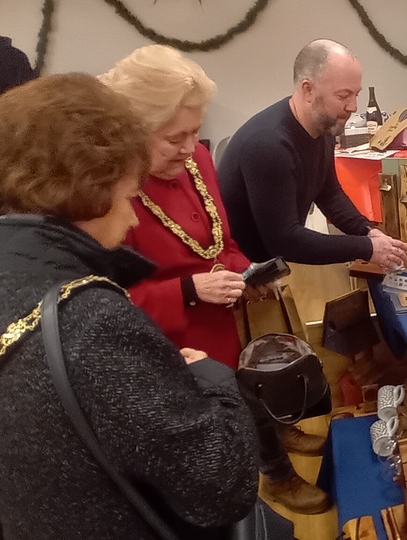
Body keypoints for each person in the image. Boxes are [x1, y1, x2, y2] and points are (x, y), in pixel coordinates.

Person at [0, 74, 263, 539]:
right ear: (85, 189)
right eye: (127, 195)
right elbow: (220, 488)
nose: (133, 212)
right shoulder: (89, 321)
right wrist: (211, 379)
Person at [100, 45, 331, 515]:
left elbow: (219, 242)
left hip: (225, 318)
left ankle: (273, 437)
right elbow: (107, 305)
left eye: (195, 133)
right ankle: (274, 475)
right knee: (224, 424)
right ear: (130, 132)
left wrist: (244, 270)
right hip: (172, 344)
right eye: (174, 137)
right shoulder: (107, 196)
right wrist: (188, 290)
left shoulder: (197, 162)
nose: (190, 149)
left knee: (251, 387)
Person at [218, 38, 407, 268]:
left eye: (356, 94)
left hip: (271, 265)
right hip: (241, 275)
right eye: (343, 96)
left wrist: (367, 232)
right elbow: (284, 241)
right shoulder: (269, 145)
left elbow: (329, 193)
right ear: (307, 90)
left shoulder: (323, 126)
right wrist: (365, 248)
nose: (353, 106)